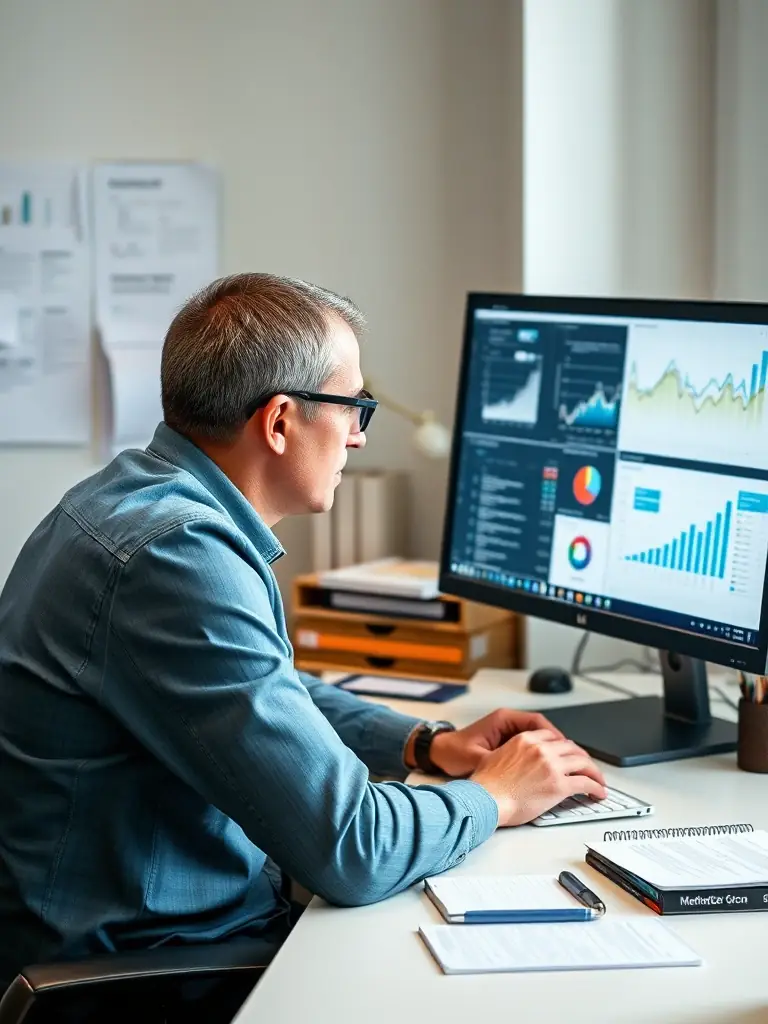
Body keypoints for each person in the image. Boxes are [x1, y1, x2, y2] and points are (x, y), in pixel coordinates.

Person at [0, 274, 606, 1019]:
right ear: (281, 421)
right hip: (151, 976)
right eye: (354, 406)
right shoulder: (178, 555)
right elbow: (355, 849)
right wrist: (497, 796)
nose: (358, 435)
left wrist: (423, 744)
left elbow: (261, 688)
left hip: (140, 935)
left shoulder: (128, 499)